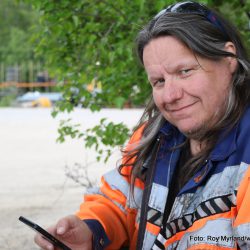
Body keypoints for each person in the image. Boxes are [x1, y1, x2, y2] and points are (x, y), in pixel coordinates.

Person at [35, 1, 250, 249]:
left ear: (229, 58)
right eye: (158, 81)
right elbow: (119, 202)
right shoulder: (154, 138)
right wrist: (91, 229)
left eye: (184, 71)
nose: (169, 95)